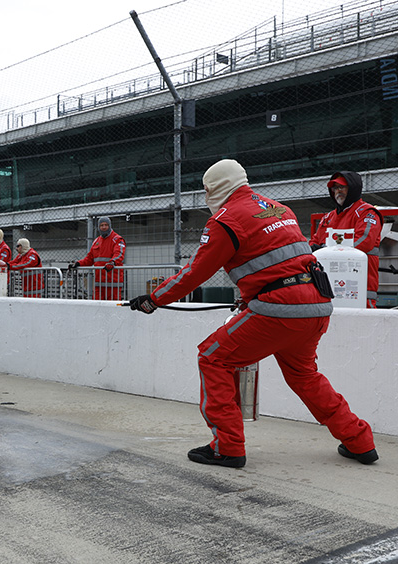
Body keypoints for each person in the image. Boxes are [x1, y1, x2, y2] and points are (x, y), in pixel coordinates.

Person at [128, 159, 377, 469]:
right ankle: (360, 441)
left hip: (278, 308)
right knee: (305, 375)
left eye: (206, 191)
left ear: (214, 189)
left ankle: (227, 447)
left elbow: (194, 273)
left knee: (213, 357)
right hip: (317, 304)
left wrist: (154, 299)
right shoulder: (279, 209)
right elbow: (278, 261)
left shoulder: (225, 220)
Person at [309, 171, 383, 308]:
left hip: (358, 285)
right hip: (326, 286)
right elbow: (314, 244)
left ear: (353, 189)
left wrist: (325, 250)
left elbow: (364, 243)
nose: (338, 191)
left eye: (342, 187)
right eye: (335, 188)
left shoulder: (367, 213)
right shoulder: (327, 218)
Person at [69, 217, 126, 300]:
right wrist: (78, 263)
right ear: (98, 227)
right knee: (97, 305)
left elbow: (119, 254)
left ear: (110, 226)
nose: (104, 227)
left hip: (113, 282)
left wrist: (112, 262)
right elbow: (89, 259)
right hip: (99, 283)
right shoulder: (96, 241)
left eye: (106, 225)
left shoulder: (117, 239)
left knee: (113, 306)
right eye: (101, 225)